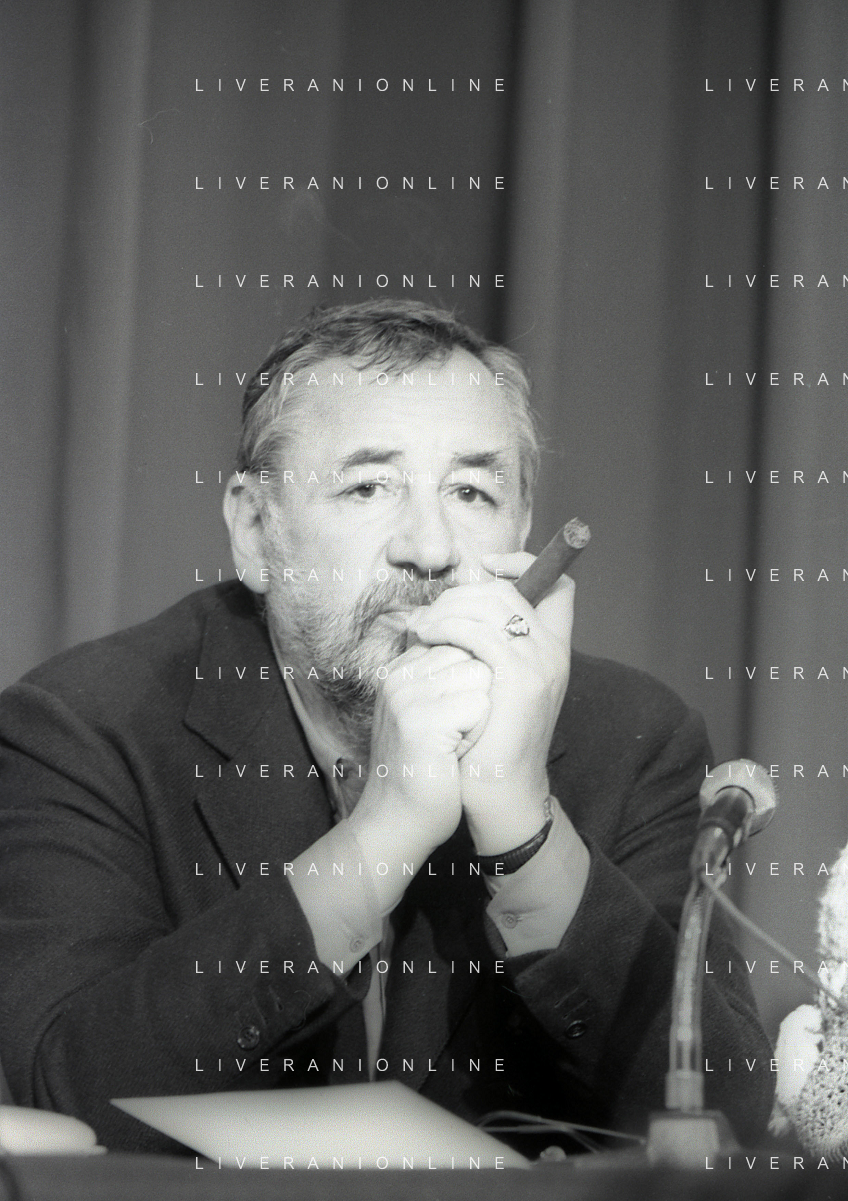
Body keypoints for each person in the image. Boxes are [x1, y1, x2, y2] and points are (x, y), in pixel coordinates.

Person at [0, 300, 773, 1153]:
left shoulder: (634, 738)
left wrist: (525, 829)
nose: (431, 549)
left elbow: (724, 1123)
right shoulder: (85, 727)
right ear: (255, 530)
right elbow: (69, 1096)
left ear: (521, 530)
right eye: (369, 486)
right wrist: (383, 834)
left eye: (472, 492)